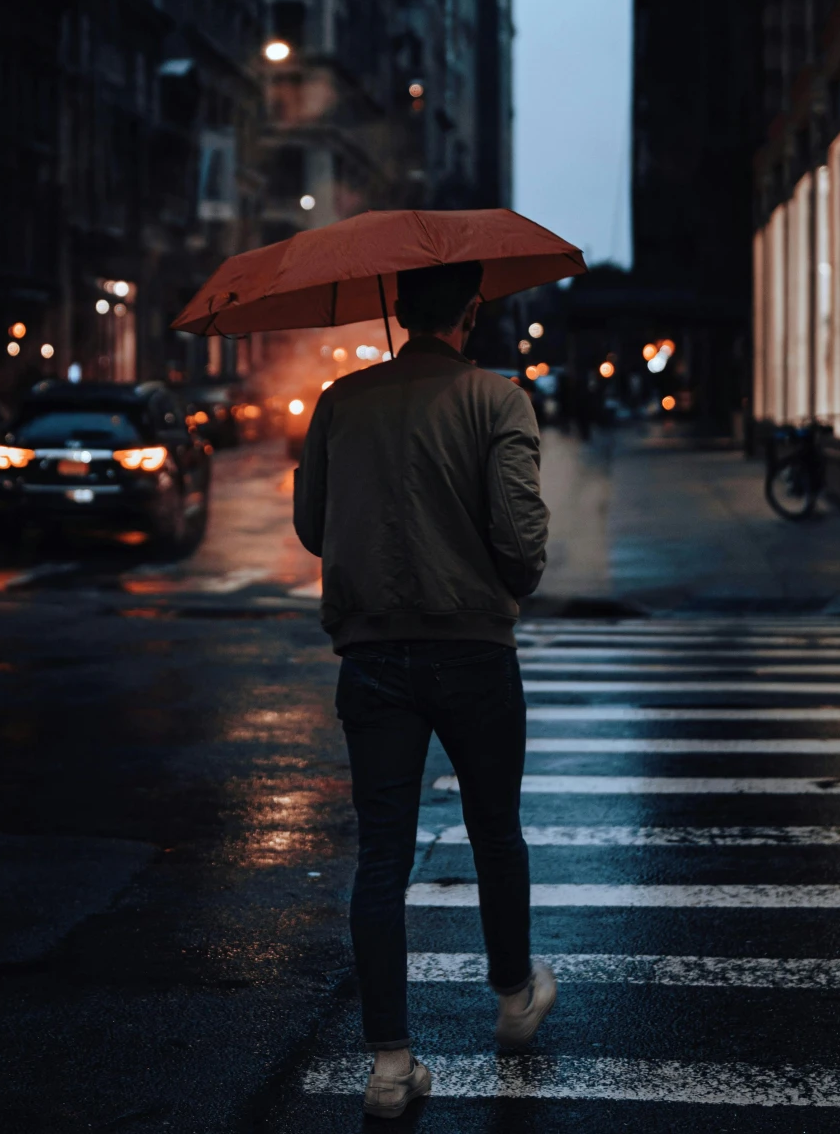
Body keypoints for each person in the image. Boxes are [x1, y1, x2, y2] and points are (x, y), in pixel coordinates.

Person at [293, 260, 553, 1118]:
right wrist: (509, 573)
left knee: (381, 858)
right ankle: (515, 998)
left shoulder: (340, 400)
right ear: (472, 310)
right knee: (494, 833)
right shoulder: (498, 400)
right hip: (474, 648)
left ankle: (389, 1065)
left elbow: (309, 524)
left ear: (399, 309)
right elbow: (520, 538)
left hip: (371, 653)